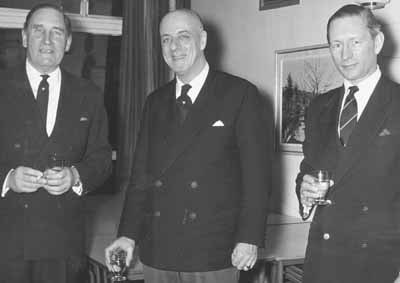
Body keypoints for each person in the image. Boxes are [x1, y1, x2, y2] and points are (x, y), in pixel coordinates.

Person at [105, 8, 271, 283]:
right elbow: (140, 178)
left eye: (183, 37)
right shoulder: (154, 102)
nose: (174, 47)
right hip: (159, 247)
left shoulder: (239, 94)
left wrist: (249, 237)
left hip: (213, 248)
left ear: (203, 40)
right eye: (166, 39)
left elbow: (257, 177)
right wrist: (127, 234)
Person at [0, 3, 112, 283]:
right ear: (25, 37)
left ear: (69, 42)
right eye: (39, 31)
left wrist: (75, 175)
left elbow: (101, 159)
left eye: (57, 32)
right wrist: (7, 179)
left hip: (64, 244)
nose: (48, 41)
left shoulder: (89, 94)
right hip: (7, 241)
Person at [297, 4, 400, 283]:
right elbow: (307, 167)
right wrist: (304, 193)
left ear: (377, 42)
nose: (345, 55)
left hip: (379, 266)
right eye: (336, 45)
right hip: (322, 261)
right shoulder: (319, 107)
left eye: (355, 42)